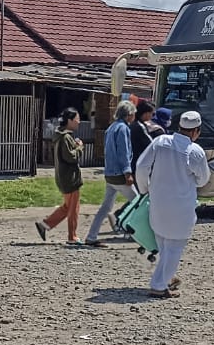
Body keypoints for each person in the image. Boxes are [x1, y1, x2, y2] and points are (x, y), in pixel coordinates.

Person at [134, 109, 210, 298]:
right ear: (196, 131)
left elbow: (141, 166)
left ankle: (167, 278)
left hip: (157, 203)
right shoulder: (195, 152)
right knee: (175, 247)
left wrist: (144, 189)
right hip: (181, 207)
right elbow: (203, 180)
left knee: (164, 245)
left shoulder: (160, 142)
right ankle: (159, 285)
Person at [84, 101, 136, 246]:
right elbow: (123, 152)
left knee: (105, 207)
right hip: (120, 174)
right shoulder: (123, 129)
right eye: (133, 114)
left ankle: (91, 236)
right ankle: (130, 231)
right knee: (137, 203)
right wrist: (127, 172)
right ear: (129, 114)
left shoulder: (111, 128)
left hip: (109, 174)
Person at [35, 108, 84, 245]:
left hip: (63, 177)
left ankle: (45, 225)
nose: (79, 122)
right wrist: (79, 147)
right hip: (69, 178)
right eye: (77, 119)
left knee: (67, 207)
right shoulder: (65, 137)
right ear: (69, 120)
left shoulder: (61, 136)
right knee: (73, 209)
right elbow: (71, 157)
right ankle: (72, 236)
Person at [130, 100, 161, 172]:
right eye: (152, 114)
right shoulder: (140, 126)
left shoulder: (133, 123)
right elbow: (150, 144)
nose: (152, 116)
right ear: (146, 113)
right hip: (137, 162)